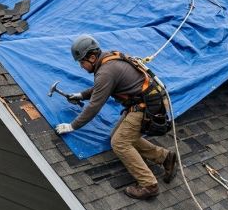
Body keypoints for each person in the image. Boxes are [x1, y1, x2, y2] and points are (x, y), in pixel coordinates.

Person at [56, 35, 176, 199]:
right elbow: (101, 88)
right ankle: (164, 157)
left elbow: (95, 106)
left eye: (82, 62)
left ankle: (149, 185)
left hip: (145, 107)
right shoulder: (108, 62)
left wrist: (72, 126)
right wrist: (81, 95)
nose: (81, 66)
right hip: (147, 102)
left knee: (119, 143)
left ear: (92, 57)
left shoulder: (105, 71)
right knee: (120, 136)